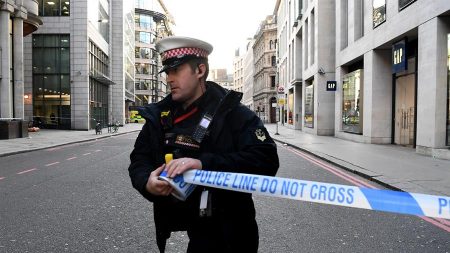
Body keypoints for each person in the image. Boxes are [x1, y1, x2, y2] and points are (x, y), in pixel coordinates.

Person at [128, 36, 279, 253]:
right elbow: (139, 159)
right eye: (167, 72)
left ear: (200, 70)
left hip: (232, 233)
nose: (169, 78)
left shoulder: (234, 114)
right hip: (195, 231)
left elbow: (266, 160)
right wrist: (146, 182)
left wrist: (202, 164)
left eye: (176, 70)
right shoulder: (162, 117)